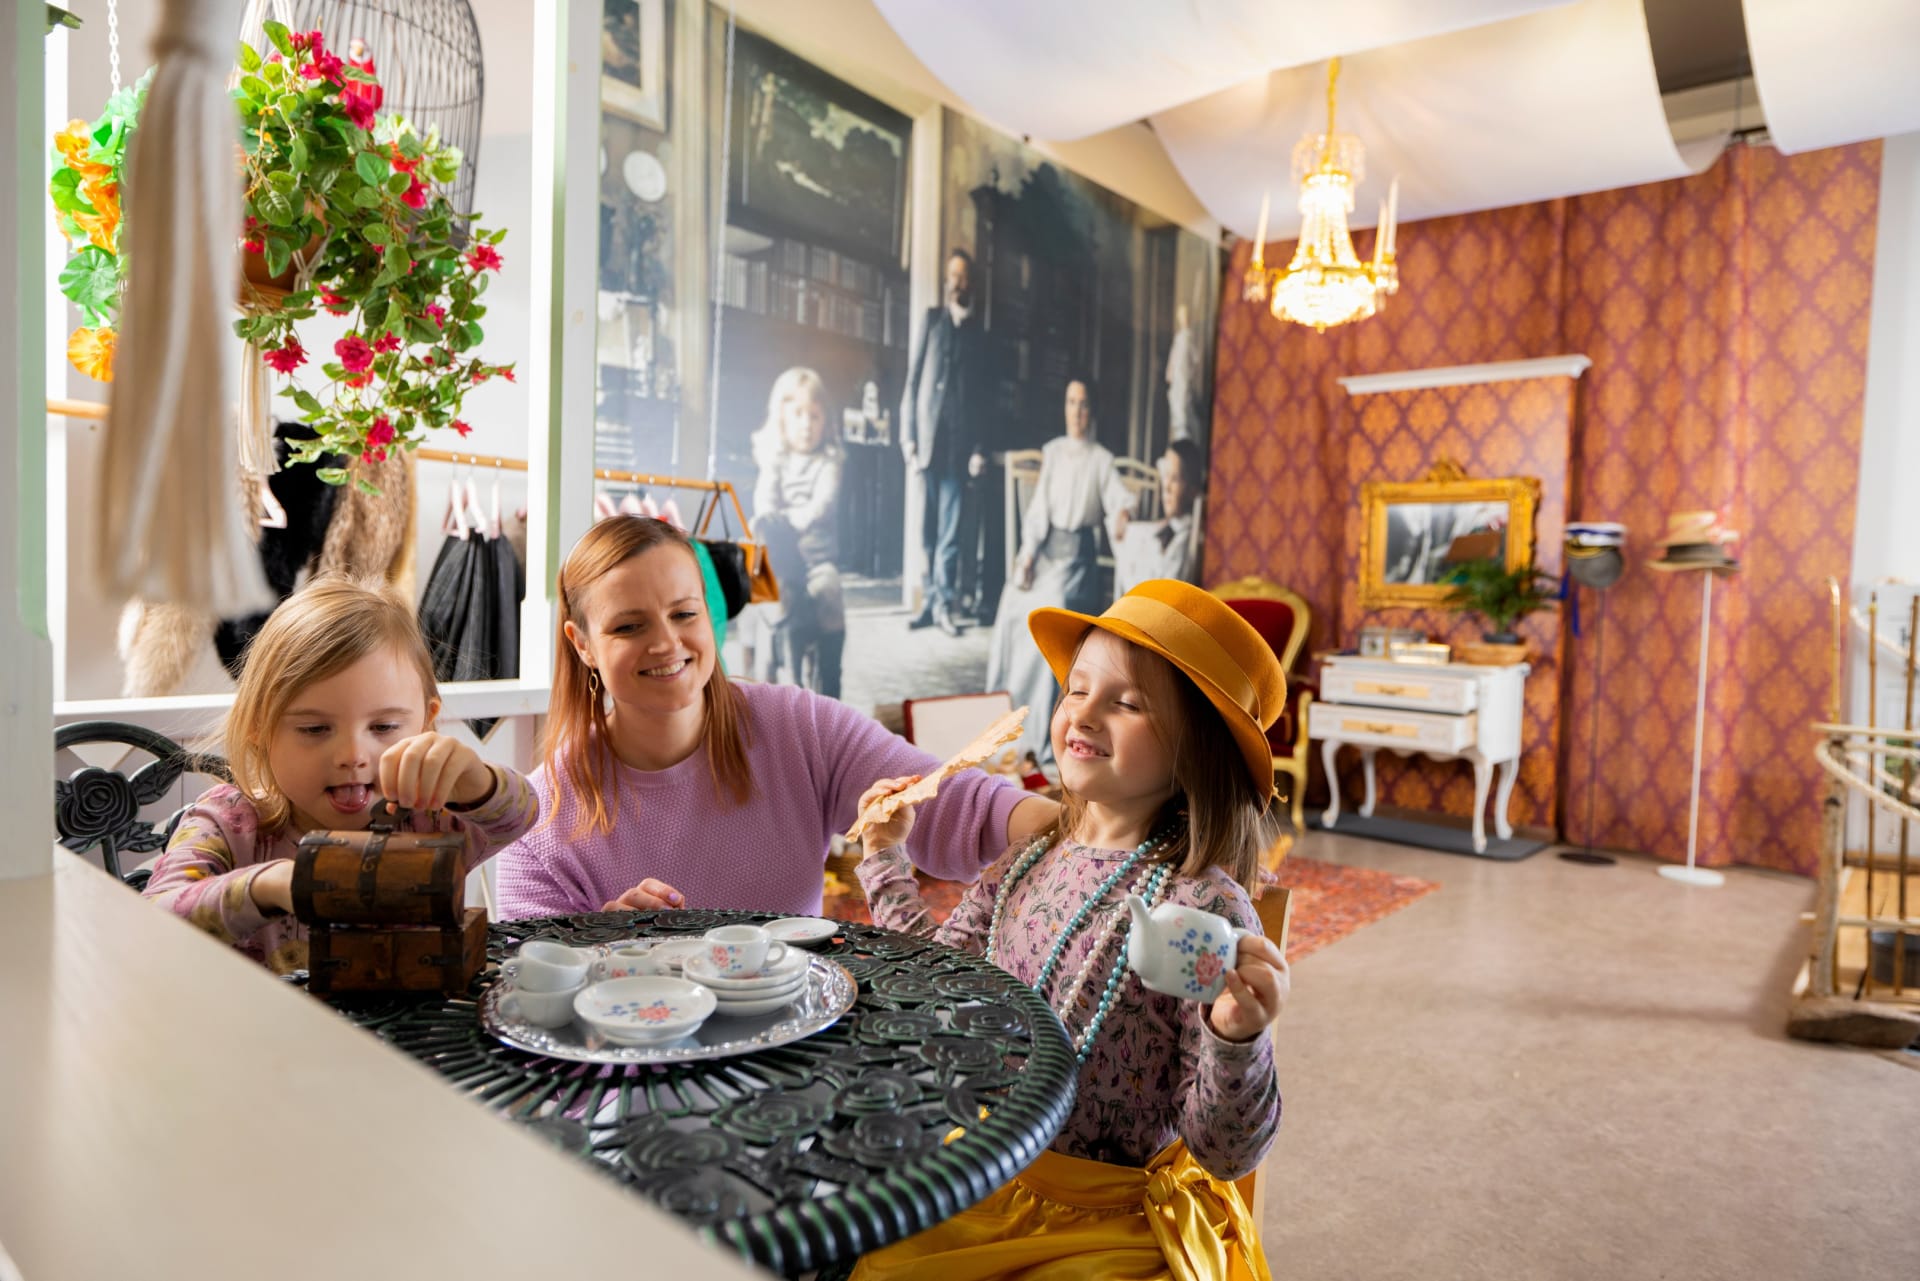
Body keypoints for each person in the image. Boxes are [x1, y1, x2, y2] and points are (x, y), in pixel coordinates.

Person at [849, 579, 1289, 1280]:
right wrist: (883, 860)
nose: (1084, 712)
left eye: (1128, 701)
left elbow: (1226, 1151)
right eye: (1077, 688)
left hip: (1106, 1222)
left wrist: (1238, 1037)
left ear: (1194, 749)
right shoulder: (1022, 865)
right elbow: (924, 993)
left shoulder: (1201, 908)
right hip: (982, 1175)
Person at [494, 516, 1059, 918]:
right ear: (583, 643)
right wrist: (602, 951)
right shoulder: (537, 825)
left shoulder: (798, 729)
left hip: (807, 1072)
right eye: (628, 626)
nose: (667, 644)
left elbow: (957, 806)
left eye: (684, 613)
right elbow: (534, 999)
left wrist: (1100, 829)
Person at [143, 577, 540, 974]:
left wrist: (475, 781)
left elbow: (521, 814)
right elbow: (152, 921)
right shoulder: (231, 823)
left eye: (384, 727)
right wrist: (275, 884)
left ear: (424, 721)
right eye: (315, 730)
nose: (353, 756)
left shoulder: (431, 817)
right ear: (260, 732)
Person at [985, 376, 1137, 762]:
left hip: (1076, 563)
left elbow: (1119, 497)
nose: (1077, 412)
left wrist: (1121, 512)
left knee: (1046, 612)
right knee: (1012, 603)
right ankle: (1003, 720)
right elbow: (1038, 513)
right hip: (1048, 551)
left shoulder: (1101, 459)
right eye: (1071, 403)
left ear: (1093, 411)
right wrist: (1029, 555)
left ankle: (1036, 730)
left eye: (1084, 404)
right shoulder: (1052, 452)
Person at [901, 247, 987, 637]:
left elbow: (985, 402)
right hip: (928, 447)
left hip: (958, 451)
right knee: (927, 532)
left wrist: (978, 450)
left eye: (964, 277)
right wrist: (909, 437)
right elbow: (914, 381)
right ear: (946, 280)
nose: (958, 283)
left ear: (971, 283)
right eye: (953, 276)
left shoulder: (979, 334)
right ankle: (930, 603)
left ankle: (944, 609)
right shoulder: (932, 320)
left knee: (950, 536)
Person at [746, 366, 845, 699]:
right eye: (798, 415)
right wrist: (770, 521)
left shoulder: (829, 461)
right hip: (780, 562)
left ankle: (830, 681)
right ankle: (763, 683)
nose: (806, 424)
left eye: (814, 416)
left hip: (815, 561)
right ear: (782, 420)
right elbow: (764, 503)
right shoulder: (774, 459)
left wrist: (786, 519)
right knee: (759, 599)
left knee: (830, 591)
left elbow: (821, 505)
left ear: (825, 421)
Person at [1113, 437, 1207, 594]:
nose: (1166, 487)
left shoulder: (1187, 539)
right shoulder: (1155, 529)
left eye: (1175, 479)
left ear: (1192, 490)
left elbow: (1169, 587)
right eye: (1165, 477)